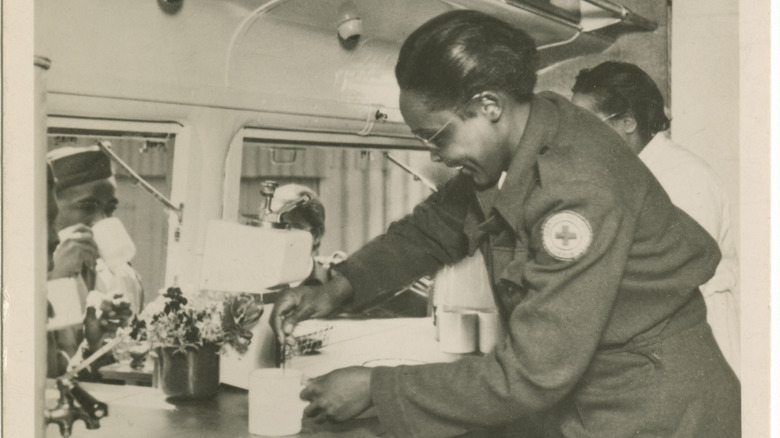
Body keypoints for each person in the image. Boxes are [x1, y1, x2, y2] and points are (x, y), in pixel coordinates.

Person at [271, 10, 740, 437]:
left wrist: (378, 388)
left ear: (489, 105)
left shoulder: (577, 190)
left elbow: (536, 372)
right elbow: (433, 227)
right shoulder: (529, 138)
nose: (434, 155)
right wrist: (339, 287)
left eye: (435, 136)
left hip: (654, 408)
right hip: (597, 394)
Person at [570, 61, 740, 376]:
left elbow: (678, 279)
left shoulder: (685, 178)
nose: (575, 137)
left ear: (627, 123)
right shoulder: (624, 173)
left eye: (585, 124)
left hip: (698, 344)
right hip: (657, 340)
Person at [46, 145, 140, 376]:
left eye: (110, 209)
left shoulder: (125, 278)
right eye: (87, 206)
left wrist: (95, 342)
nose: (101, 219)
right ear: (50, 209)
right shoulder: (26, 279)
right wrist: (56, 279)